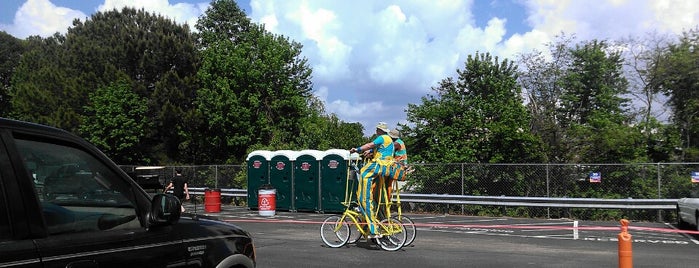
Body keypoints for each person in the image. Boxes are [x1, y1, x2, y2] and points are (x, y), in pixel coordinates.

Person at [349, 122, 394, 238]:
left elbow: (370, 145)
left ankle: (372, 226)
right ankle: (375, 218)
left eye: (377, 129)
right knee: (374, 195)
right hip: (387, 166)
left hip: (380, 165)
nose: (376, 131)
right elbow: (377, 149)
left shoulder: (382, 138)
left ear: (380, 130)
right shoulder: (388, 140)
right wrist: (369, 152)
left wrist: (357, 149)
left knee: (364, 173)